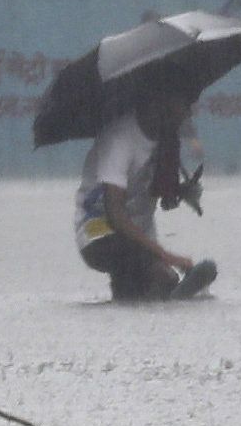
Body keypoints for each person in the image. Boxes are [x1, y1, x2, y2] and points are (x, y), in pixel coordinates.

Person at [75, 88, 216, 302]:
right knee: (162, 276)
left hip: (139, 235)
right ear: (160, 103)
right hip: (100, 234)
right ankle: (148, 283)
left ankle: (133, 291)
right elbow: (115, 214)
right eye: (184, 105)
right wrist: (166, 256)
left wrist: (181, 190)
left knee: (148, 286)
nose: (189, 113)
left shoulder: (165, 139)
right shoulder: (119, 141)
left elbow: (153, 185)